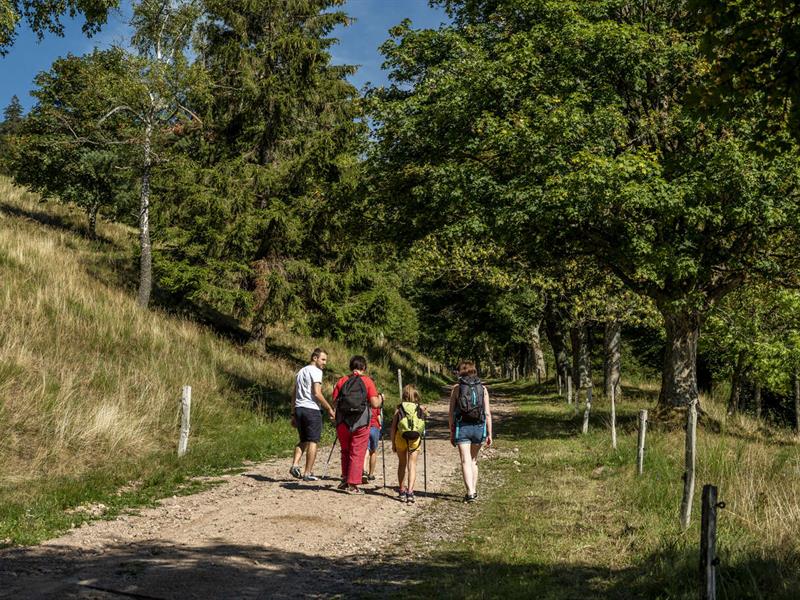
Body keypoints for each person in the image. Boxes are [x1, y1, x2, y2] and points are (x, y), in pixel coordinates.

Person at [331, 355, 381, 494]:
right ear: (364, 368)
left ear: (350, 367)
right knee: (357, 452)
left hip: (342, 422)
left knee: (345, 451)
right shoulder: (367, 381)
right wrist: (381, 398)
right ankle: (353, 484)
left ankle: (345, 479)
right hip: (361, 422)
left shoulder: (342, 381)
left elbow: (334, 402)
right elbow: (375, 403)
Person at [449, 361, 493, 502]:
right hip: (479, 427)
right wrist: (489, 433)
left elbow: (450, 414)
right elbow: (487, 413)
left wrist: (451, 431)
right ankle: (473, 489)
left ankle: (470, 492)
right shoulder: (483, 388)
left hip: (463, 427)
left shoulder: (457, 389)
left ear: (460, 372)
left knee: (465, 460)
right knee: (474, 460)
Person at [289, 348, 335, 481]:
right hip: (311, 409)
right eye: (323, 359)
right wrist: (329, 408)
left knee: (303, 440)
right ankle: (308, 472)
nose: (325, 363)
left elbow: (294, 394)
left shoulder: (300, 371)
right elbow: (317, 392)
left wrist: (293, 414)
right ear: (315, 358)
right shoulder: (316, 371)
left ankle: (295, 464)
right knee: (313, 441)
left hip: (299, 408)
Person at [390, 384, 428, 503]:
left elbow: (393, 428)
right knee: (412, 465)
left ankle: (401, 490)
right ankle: (410, 492)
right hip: (414, 440)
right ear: (416, 396)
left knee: (402, 464)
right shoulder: (420, 409)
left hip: (400, 438)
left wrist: (393, 443)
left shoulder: (398, 409)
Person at [362, 392, 384, 484]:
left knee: (366, 450)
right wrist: (381, 426)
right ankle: (371, 474)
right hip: (375, 427)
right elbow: (379, 417)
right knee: (373, 451)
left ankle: (364, 471)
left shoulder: (365, 404)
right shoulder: (377, 406)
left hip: (366, 427)